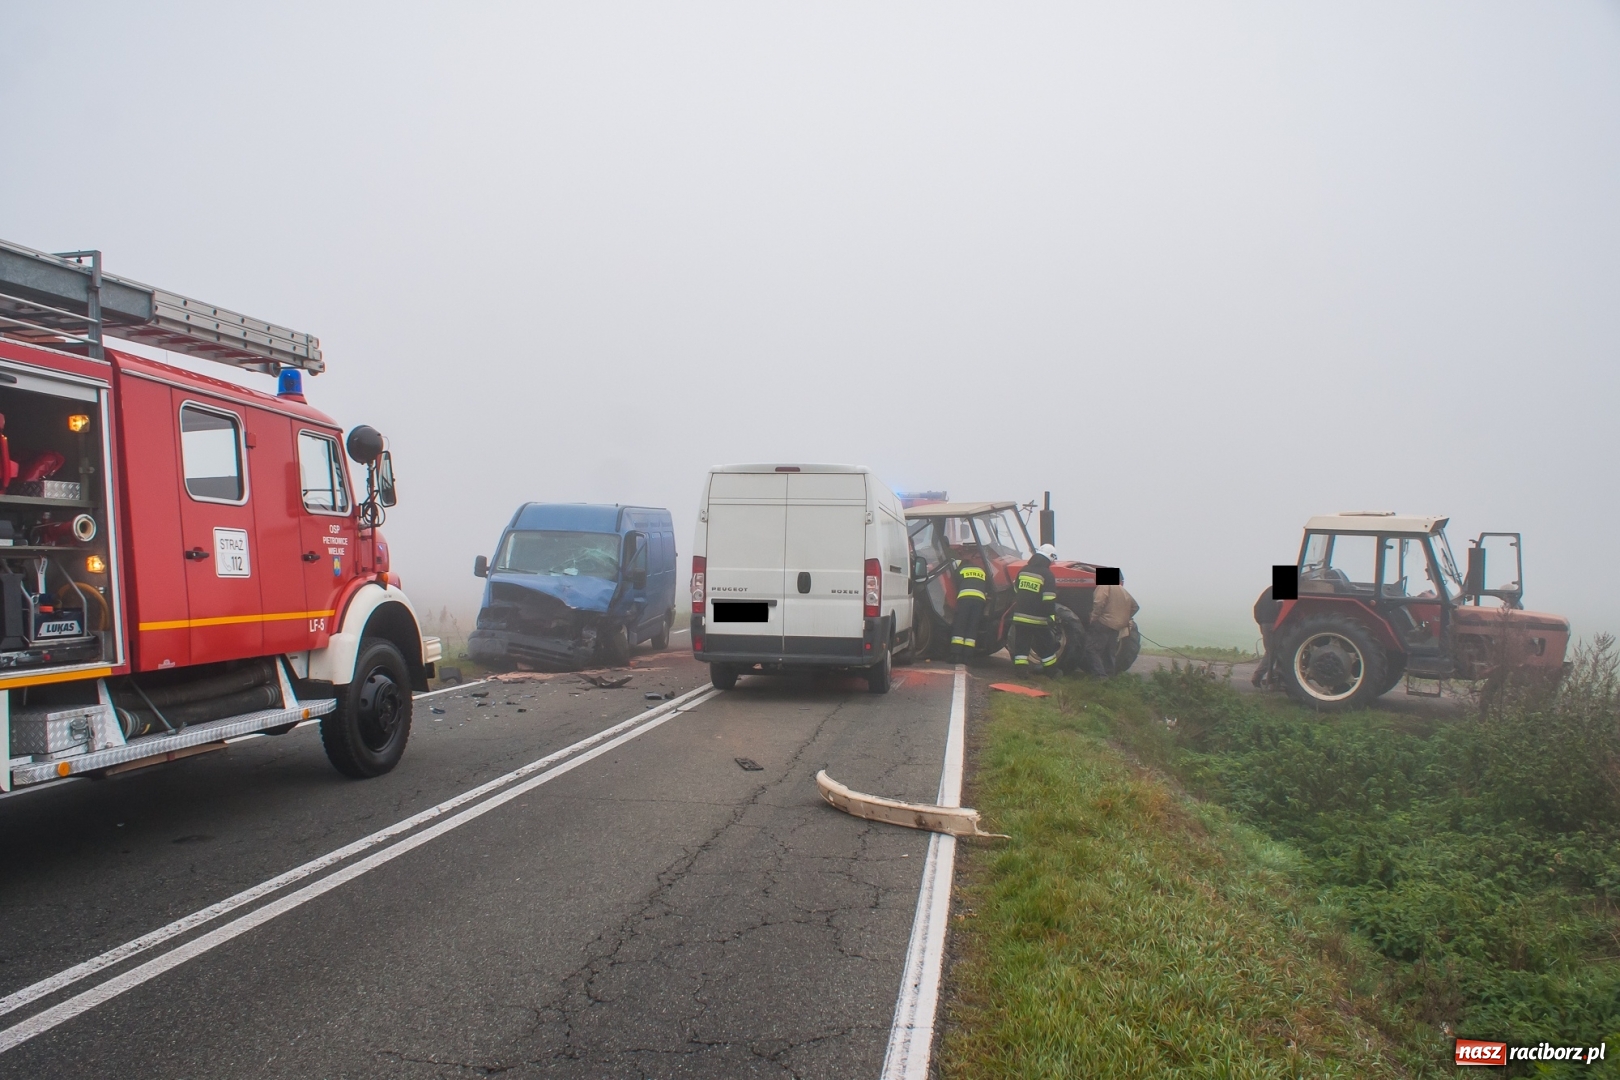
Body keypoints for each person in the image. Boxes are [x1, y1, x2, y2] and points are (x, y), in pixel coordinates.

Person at [1010, 544, 1059, 675]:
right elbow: (1049, 599)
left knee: (1021, 645)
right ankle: (1052, 672)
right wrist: (1052, 616)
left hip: (1020, 617)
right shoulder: (1047, 575)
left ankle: (1021, 673)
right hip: (1038, 620)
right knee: (1046, 645)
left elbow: (1016, 590)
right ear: (1049, 558)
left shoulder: (1023, 570)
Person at [1087, 573, 1139, 677]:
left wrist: (1094, 617)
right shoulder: (1122, 590)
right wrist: (1125, 618)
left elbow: (1099, 602)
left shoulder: (1104, 586)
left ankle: (1100, 676)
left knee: (1092, 649)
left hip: (1104, 623)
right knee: (1109, 651)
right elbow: (1135, 606)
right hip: (1117, 626)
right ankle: (1110, 674)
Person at [949, 555, 988, 662]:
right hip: (979, 601)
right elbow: (987, 586)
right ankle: (968, 656)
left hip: (965, 599)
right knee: (972, 626)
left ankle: (955, 655)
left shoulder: (960, 570)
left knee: (960, 625)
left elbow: (954, 585)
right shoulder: (981, 571)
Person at [1251, 585, 1283, 687]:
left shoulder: (1269, 590)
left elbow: (1256, 607)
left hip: (1265, 623)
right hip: (1273, 624)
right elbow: (1281, 608)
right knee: (1272, 651)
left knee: (1271, 651)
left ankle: (1272, 678)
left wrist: (1261, 622)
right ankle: (1259, 676)